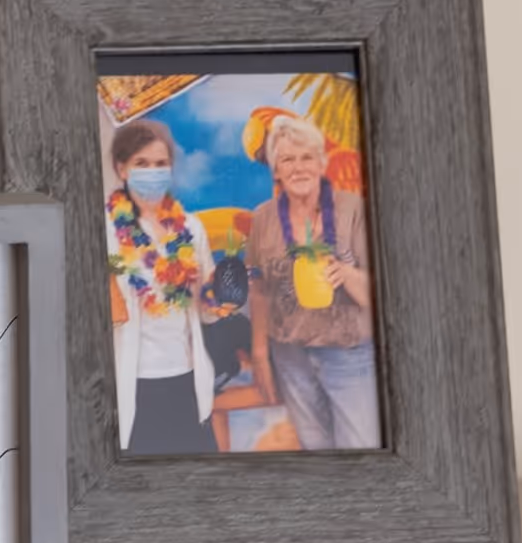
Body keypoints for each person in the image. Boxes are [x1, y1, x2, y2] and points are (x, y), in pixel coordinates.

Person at [247, 114, 381, 449]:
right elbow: (259, 287)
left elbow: (385, 295)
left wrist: (347, 274)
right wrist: (261, 352)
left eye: (307, 157)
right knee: (315, 454)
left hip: (349, 356)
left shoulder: (354, 210)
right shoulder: (263, 218)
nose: (298, 167)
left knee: (360, 449)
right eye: (287, 159)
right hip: (290, 356)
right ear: (276, 170)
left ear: (322, 163)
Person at [105, 119, 220, 455]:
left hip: (187, 379)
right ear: (122, 168)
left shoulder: (192, 229)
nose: (152, 172)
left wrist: (217, 302)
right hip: (133, 385)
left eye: (160, 164)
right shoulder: (103, 230)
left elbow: (206, 311)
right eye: (142, 164)